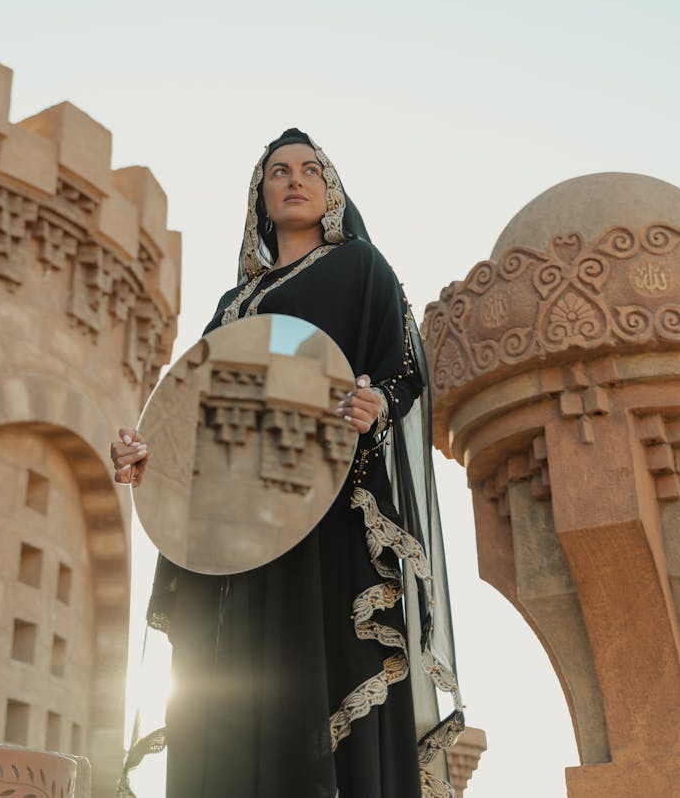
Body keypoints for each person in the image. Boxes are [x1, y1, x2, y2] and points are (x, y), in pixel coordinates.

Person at [112, 128, 463, 798]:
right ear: (261, 197)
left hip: (324, 509)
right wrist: (147, 454)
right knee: (223, 691)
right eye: (278, 171)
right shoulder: (231, 305)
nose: (294, 179)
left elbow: (406, 366)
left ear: (329, 189)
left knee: (314, 676)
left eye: (310, 169)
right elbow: (198, 409)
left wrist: (376, 403)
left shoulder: (361, 267)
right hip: (231, 527)